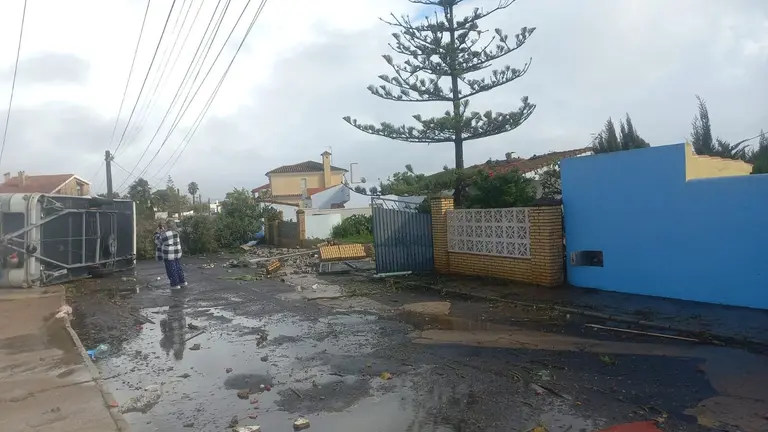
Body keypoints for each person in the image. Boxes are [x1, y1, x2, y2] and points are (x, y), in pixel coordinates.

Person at [154, 220, 187, 289]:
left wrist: (157, 233)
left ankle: (174, 284)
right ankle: (182, 281)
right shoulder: (176, 233)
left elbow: (157, 241)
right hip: (177, 252)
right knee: (178, 267)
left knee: (171, 269)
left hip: (169, 254)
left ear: (166, 226)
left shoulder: (165, 234)